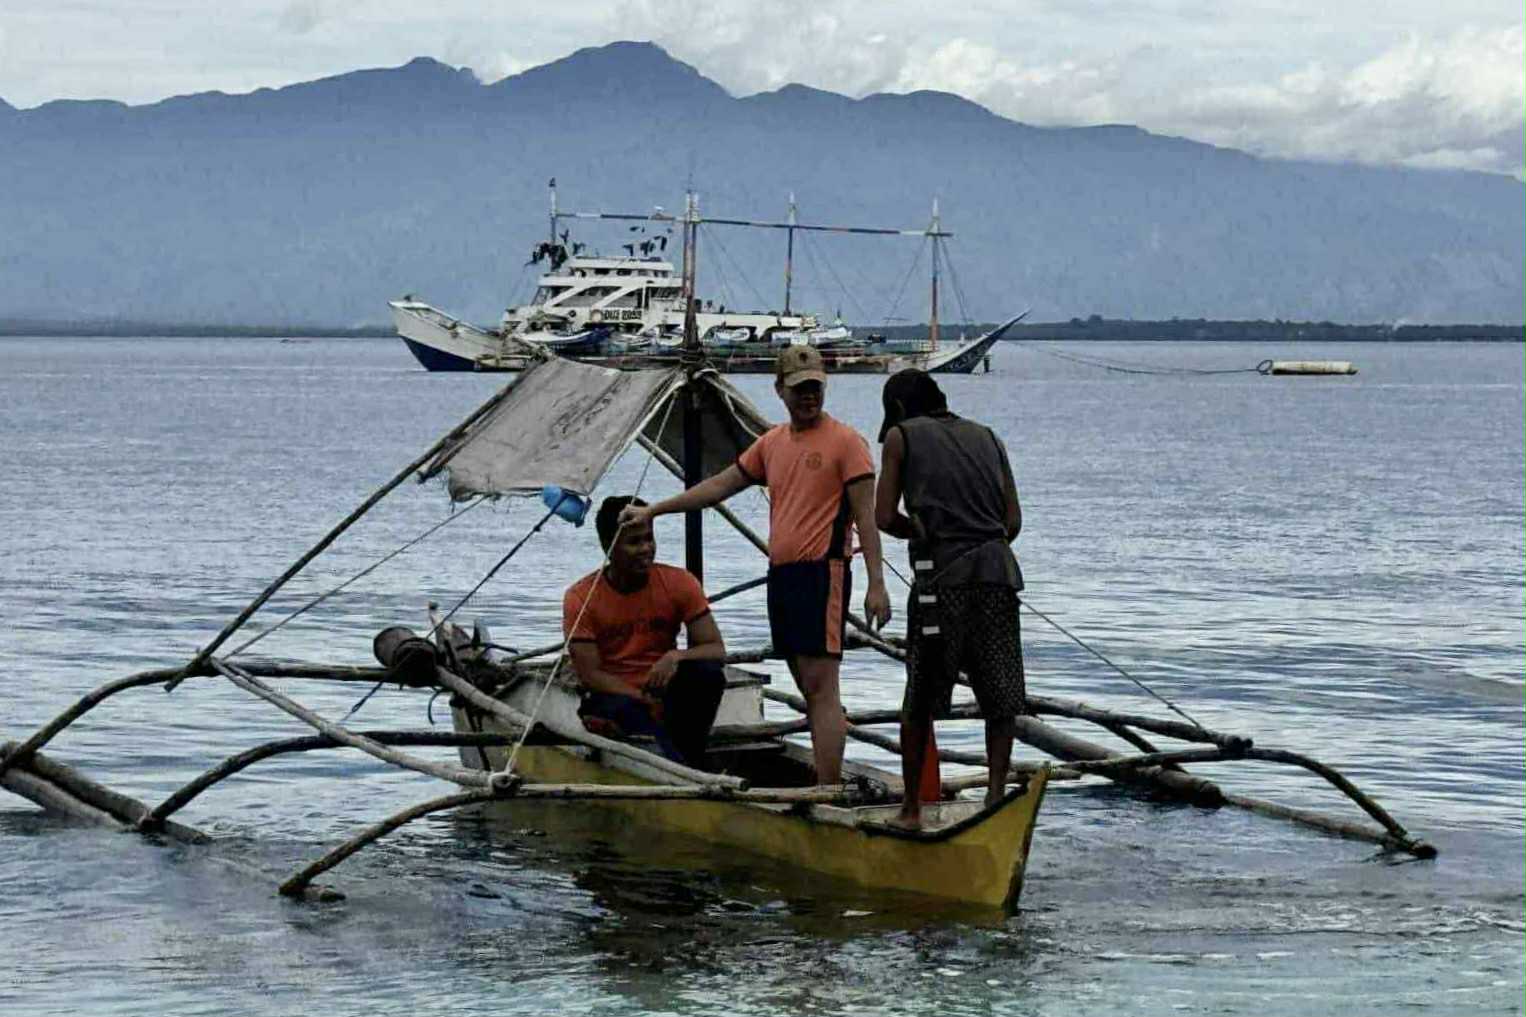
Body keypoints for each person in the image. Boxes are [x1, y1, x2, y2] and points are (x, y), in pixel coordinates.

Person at [619, 346, 891, 784]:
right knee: (807, 684)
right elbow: (717, 487)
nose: (809, 396)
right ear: (780, 389)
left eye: (815, 388)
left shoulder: (846, 443)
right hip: (782, 577)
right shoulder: (772, 442)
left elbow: (866, 518)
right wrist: (655, 511)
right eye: (800, 388)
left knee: (823, 690)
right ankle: (825, 780)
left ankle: (828, 789)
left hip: (824, 573)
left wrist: (876, 583)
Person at [874, 369, 1026, 827]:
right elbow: (1012, 522)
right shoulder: (990, 438)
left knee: (921, 696)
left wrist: (917, 529)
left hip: (942, 586)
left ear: (898, 409)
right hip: (999, 579)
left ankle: (910, 810)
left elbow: (883, 516)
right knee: (1001, 695)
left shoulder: (901, 437)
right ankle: (995, 795)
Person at [563, 495, 727, 768]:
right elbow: (590, 675)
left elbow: (715, 650)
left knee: (707, 674)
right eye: (634, 542)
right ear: (609, 546)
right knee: (628, 714)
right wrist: (640, 698)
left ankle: (687, 759)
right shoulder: (580, 597)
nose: (646, 549)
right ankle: (686, 767)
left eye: (649, 539)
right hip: (615, 696)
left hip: (663, 689)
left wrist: (675, 657)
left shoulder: (679, 583)